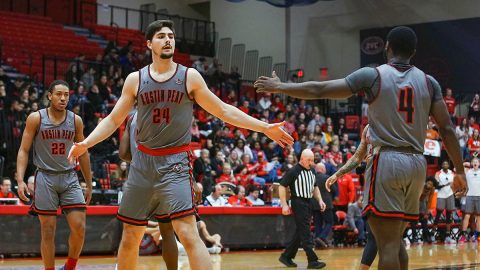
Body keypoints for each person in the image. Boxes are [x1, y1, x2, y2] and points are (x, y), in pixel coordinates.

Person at [68, 20, 293, 270]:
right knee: (131, 234)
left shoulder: (189, 76)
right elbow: (113, 119)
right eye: (162, 36)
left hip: (174, 163)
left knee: (187, 232)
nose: (168, 40)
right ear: (149, 43)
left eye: (171, 36)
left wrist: (263, 127)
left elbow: (222, 109)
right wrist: (86, 142)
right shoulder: (135, 79)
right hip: (142, 163)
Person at [257, 26, 466, 270]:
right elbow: (448, 130)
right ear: (414, 52)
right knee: (396, 242)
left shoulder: (373, 75)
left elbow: (321, 89)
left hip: (388, 158)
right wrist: (459, 171)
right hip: (417, 163)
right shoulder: (430, 83)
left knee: (387, 245)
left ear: (387, 47)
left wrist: (281, 87)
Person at [16, 80, 93, 270]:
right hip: (45, 177)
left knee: (79, 227)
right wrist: (20, 179)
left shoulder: (75, 120)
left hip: (69, 176)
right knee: (48, 231)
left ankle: (69, 267)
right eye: (59, 94)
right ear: (49, 95)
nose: (63, 98)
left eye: (66, 95)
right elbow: (24, 150)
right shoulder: (36, 118)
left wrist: (89, 183)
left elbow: (82, 152)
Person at [118, 111, 178, 270]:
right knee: (167, 232)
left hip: (139, 179)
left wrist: (140, 160)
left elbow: (123, 153)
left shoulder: (131, 117)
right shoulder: (166, 113)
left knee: (131, 235)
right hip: (164, 177)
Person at [278, 149, 326, 269]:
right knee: (305, 232)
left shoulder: (312, 171)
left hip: (308, 202)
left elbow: (315, 187)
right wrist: (284, 204)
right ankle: (312, 260)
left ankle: (286, 256)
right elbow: (282, 186)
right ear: (302, 159)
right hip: (298, 202)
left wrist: (320, 200)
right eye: (309, 160)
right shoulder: (294, 171)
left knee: (301, 231)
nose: (311, 162)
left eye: (312, 160)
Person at [434, 160, 456, 244]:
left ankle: (448, 236)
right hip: (441, 195)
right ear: (441, 165)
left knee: (449, 216)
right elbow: (435, 185)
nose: (445, 165)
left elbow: (455, 184)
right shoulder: (438, 173)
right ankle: (433, 233)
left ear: (449, 165)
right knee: (438, 214)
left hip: (450, 195)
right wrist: (445, 185)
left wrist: (454, 189)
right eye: (443, 164)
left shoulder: (452, 173)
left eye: (446, 164)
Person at [458, 157, 480, 243]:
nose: (475, 163)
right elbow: (456, 169)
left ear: (479, 164)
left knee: (479, 217)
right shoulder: (468, 172)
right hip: (469, 196)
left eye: (476, 162)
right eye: (473, 162)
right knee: (467, 216)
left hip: (479, 196)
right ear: (471, 164)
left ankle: (477, 235)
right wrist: (465, 164)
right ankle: (463, 235)